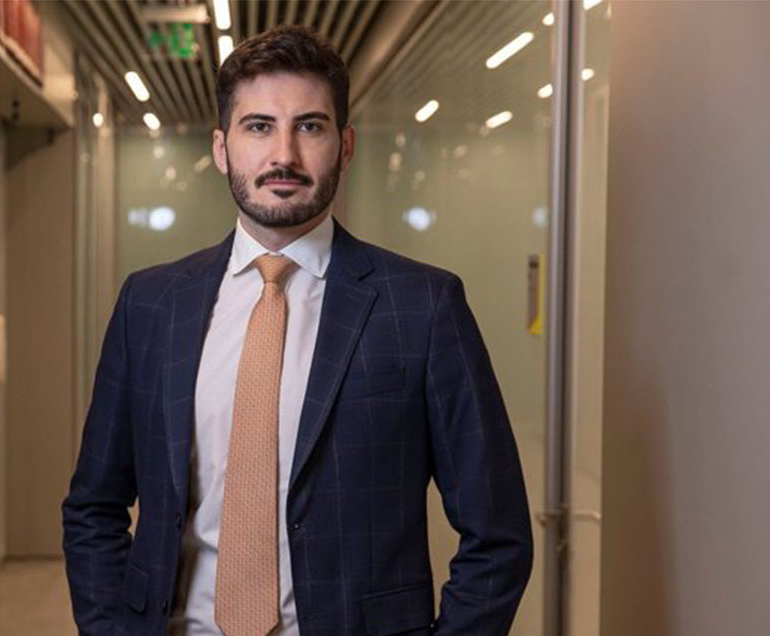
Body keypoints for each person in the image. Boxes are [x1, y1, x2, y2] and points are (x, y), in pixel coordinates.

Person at [62, 25, 532, 636]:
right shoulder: (151, 305)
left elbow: (497, 533)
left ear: (345, 144)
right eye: (258, 126)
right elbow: (93, 509)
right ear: (222, 147)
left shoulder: (422, 306)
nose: (283, 154)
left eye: (309, 126)